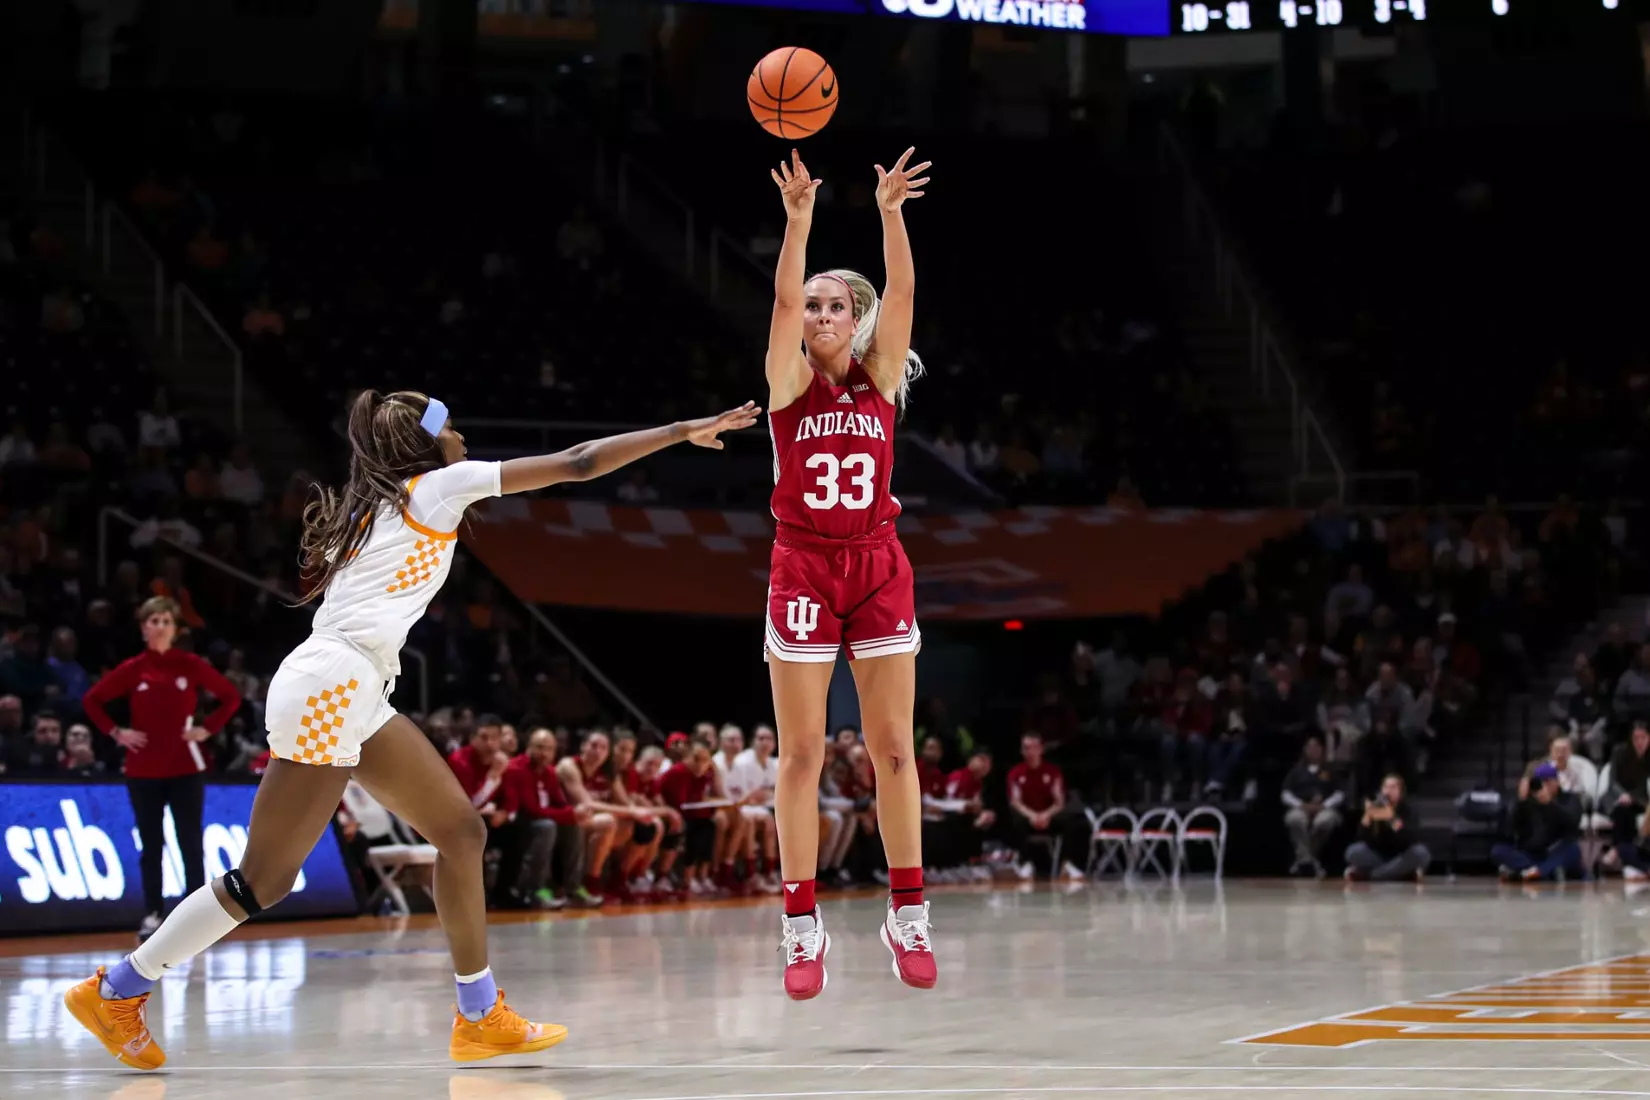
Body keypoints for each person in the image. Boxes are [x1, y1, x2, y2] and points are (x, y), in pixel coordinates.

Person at [64, 388, 758, 1071]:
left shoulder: (381, 505)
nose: (462, 434)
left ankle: (480, 1015)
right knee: (264, 880)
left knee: (461, 833)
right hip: (332, 685)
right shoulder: (437, 487)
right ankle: (118, 989)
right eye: (451, 425)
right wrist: (678, 429)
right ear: (429, 445)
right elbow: (577, 462)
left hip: (355, 687)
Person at [762, 145, 936, 1000]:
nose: (822, 314)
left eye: (838, 305)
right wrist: (798, 222)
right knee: (799, 757)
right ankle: (801, 929)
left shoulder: (878, 386)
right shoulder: (787, 385)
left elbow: (902, 295)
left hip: (875, 566)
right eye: (815, 305)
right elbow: (784, 294)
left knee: (893, 751)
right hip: (802, 569)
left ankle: (908, 915)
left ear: (855, 319)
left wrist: (890, 211)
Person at [81, 597, 242, 941]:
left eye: (165, 620)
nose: (159, 626)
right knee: (151, 844)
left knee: (189, 841)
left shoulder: (190, 665)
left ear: (175, 628)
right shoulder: (134, 668)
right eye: (152, 620)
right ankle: (153, 913)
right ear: (143, 628)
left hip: (185, 766)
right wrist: (117, 732)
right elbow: (92, 700)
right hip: (142, 769)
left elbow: (230, 697)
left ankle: (195, 918)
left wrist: (208, 728)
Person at [497, 728, 590, 910]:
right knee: (547, 826)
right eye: (539, 747)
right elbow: (531, 809)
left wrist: (575, 812)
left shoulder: (549, 772)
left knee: (574, 825)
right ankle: (536, 891)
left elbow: (560, 803)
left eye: (549, 749)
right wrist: (568, 814)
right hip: (516, 824)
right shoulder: (516, 768)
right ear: (528, 747)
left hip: (540, 821)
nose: (544, 753)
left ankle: (572, 889)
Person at [1006, 732, 1089, 882]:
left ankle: (1067, 864)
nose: (1029, 752)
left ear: (1041, 749)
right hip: (1027, 818)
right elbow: (1016, 802)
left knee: (1071, 820)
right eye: (1026, 748)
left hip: (1049, 818)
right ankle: (1026, 863)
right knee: (1014, 818)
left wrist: (1046, 815)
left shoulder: (1053, 772)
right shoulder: (1015, 773)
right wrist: (1032, 816)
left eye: (1033, 747)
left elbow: (1059, 802)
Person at [1492, 763, 1583, 882]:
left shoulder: (1569, 799)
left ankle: (1529, 872)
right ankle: (1539, 871)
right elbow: (1509, 831)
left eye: (1547, 782)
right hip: (1532, 853)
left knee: (1572, 849)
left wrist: (1550, 804)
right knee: (1498, 850)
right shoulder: (1527, 804)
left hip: (1556, 849)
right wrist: (1520, 802)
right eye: (1540, 783)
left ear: (1556, 782)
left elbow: (1573, 823)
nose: (1543, 787)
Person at [1344, 774, 1430, 883]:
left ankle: (1373, 875)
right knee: (1352, 852)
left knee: (1421, 853)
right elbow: (1361, 837)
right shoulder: (1376, 807)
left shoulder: (1408, 809)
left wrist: (1392, 819)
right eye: (1386, 787)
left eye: (1393, 787)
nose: (1388, 791)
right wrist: (1367, 816)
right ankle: (1403, 874)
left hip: (1402, 855)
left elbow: (1410, 838)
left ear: (1401, 792)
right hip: (1378, 855)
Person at [1281, 735, 1344, 877]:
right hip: (1301, 807)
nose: (1313, 750)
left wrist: (1324, 805)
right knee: (1294, 819)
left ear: (1322, 749)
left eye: (1316, 746)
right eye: (1309, 747)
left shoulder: (1330, 770)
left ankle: (1302, 861)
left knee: (1324, 822)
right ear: (1305, 750)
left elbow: (1339, 794)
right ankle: (1310, 862)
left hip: (1325, 808)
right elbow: (1285, 794)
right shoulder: (1296, 771)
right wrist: (1301, 805)